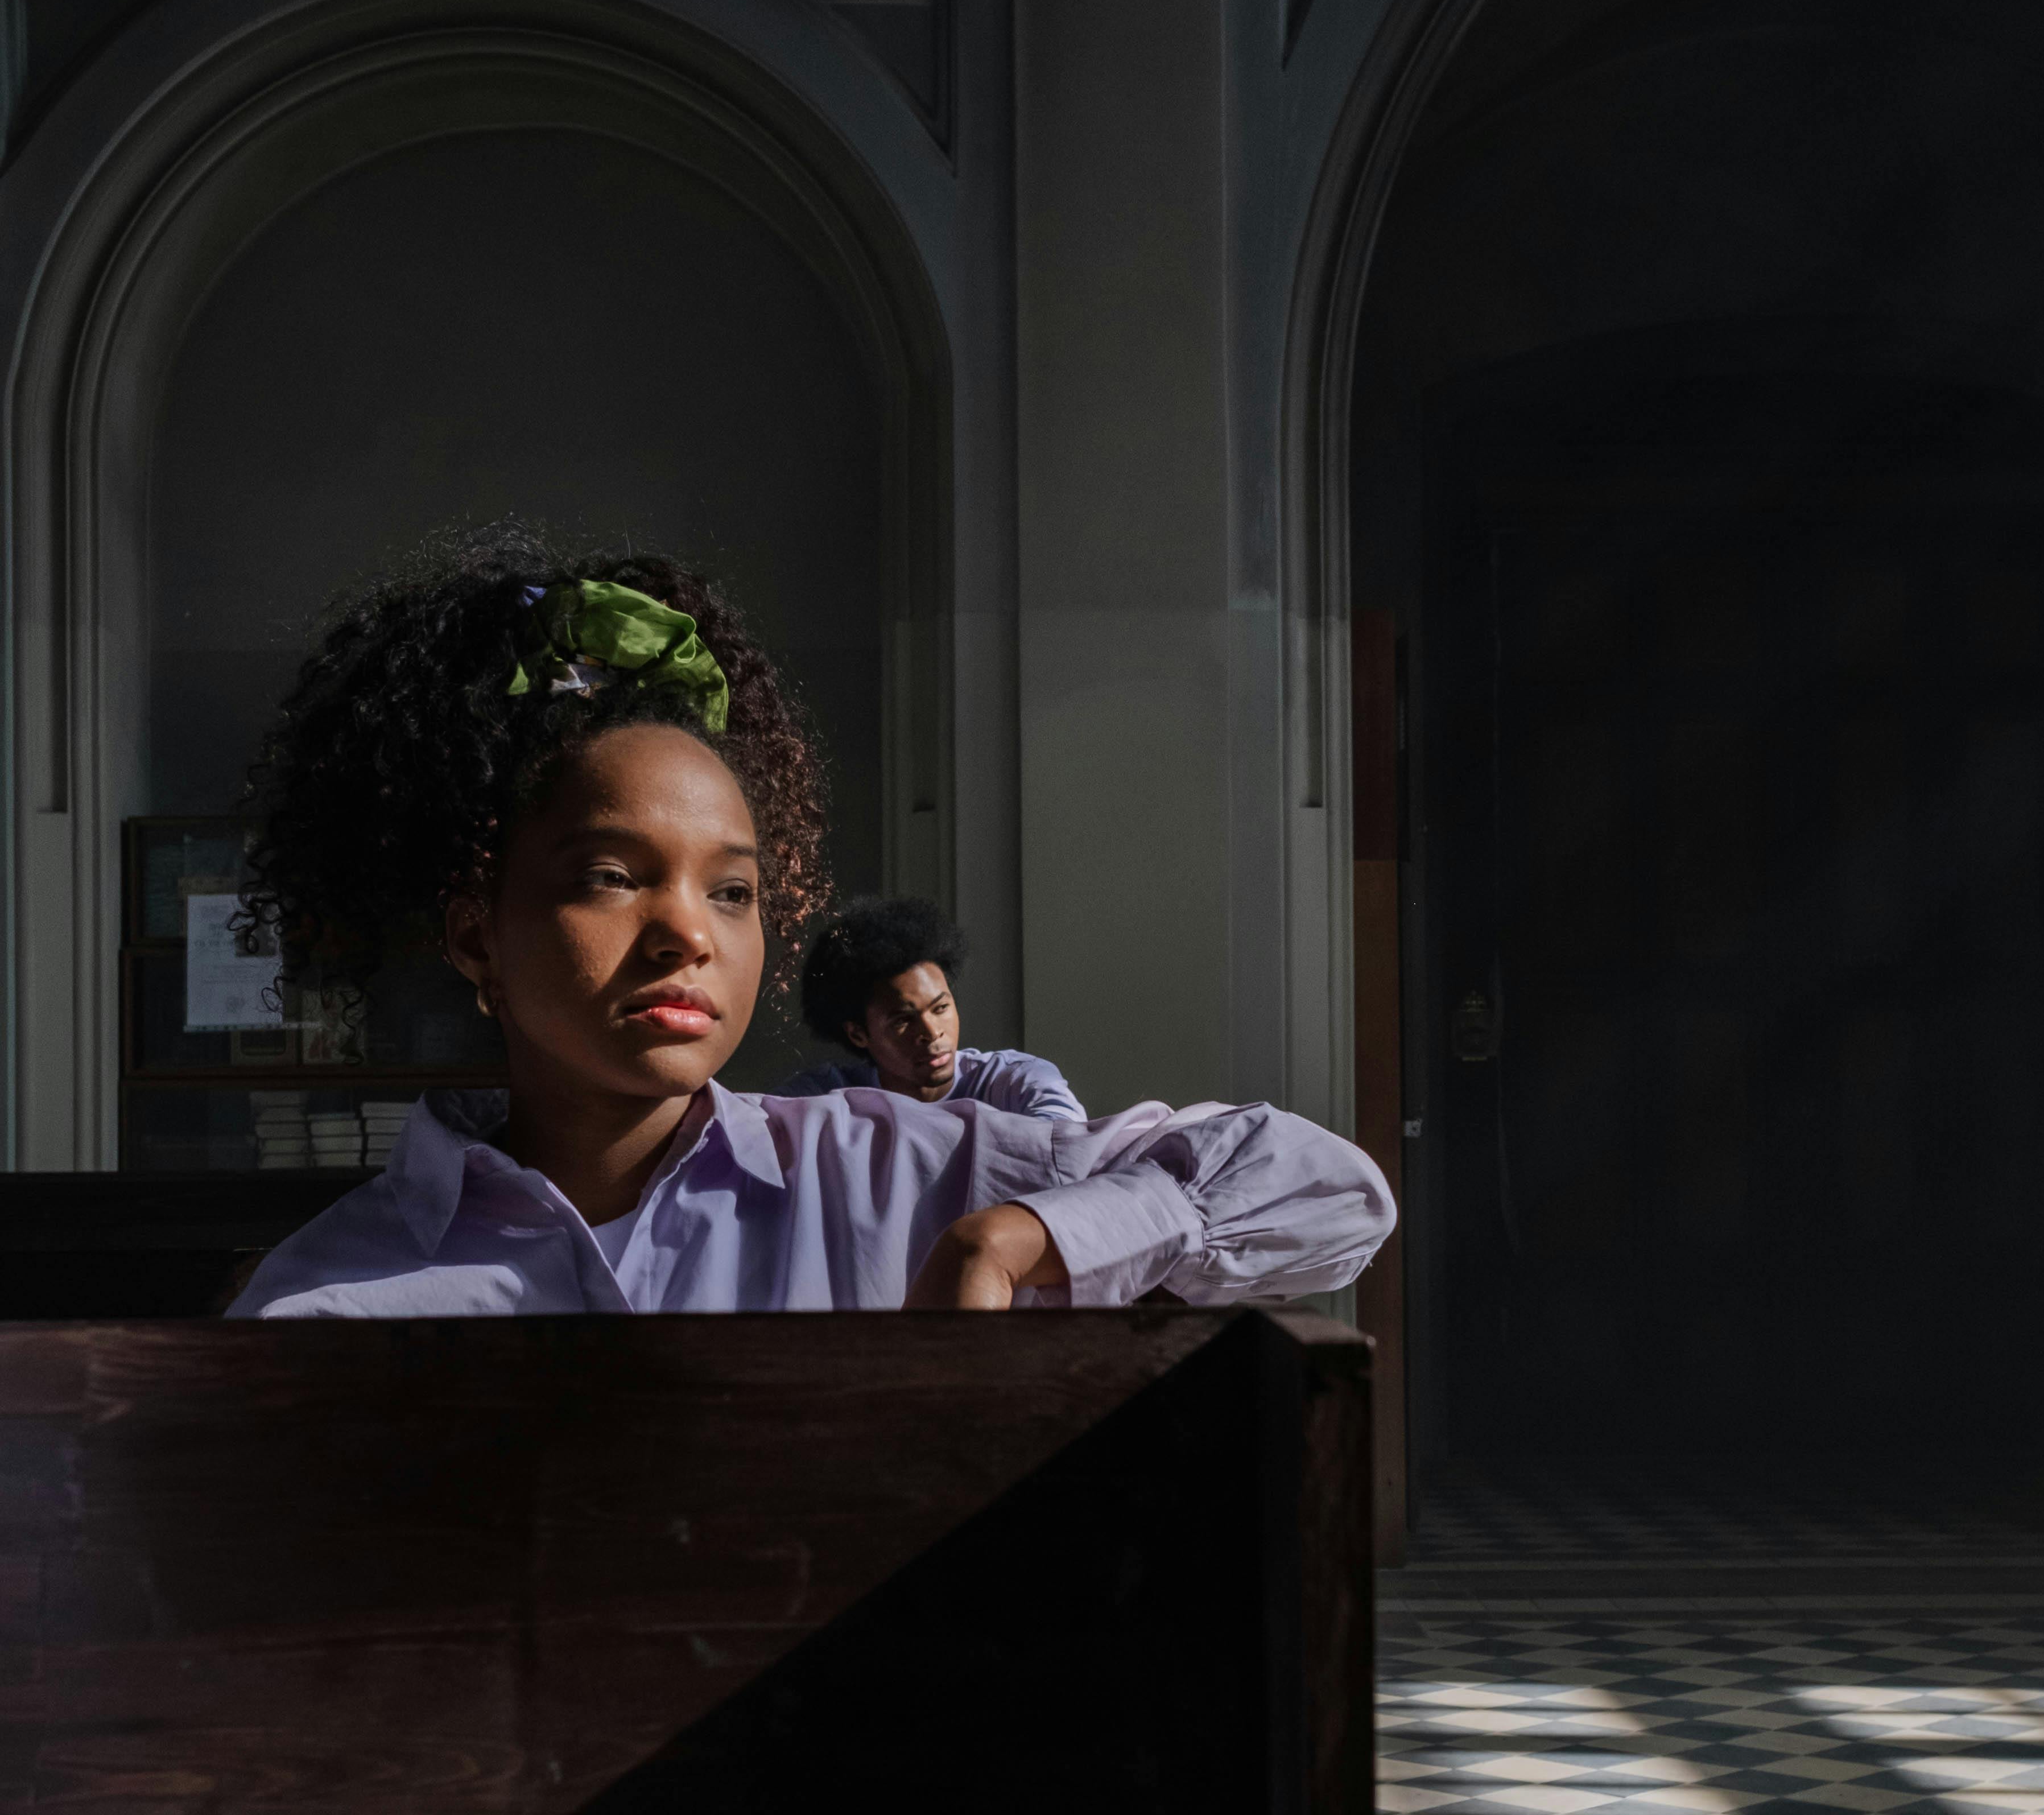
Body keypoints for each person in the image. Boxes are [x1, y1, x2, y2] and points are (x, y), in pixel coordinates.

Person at [226, 539, 1394, 1321]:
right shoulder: (323, 1297)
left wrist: (1010, 1242)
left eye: (730, 892)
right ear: (476, 936)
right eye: (612, 876)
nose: (686, 933)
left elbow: (1327, 1192)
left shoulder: (890, 1171)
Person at [779, 896, 1083, 1121]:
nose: (932, 1032)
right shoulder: (822, 1096)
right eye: (903, 1020)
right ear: (859, 1034)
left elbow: (1070, 1146)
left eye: (941, 1008)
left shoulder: (1014, 1080)